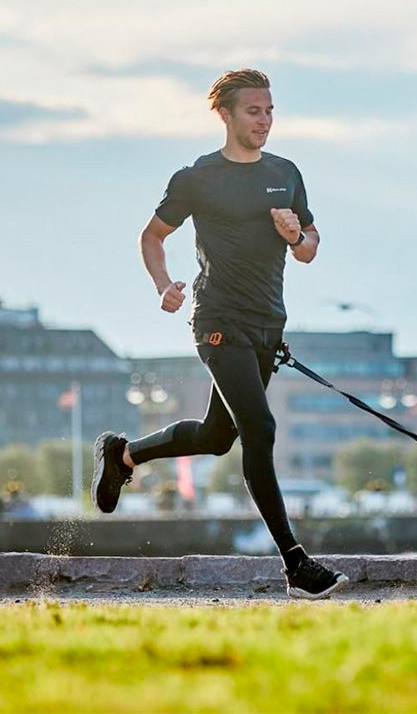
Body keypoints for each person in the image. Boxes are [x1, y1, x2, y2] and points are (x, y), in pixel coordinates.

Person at [91, 68, 348, 600]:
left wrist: (296, 234)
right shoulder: (197, 178)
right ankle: (295, 563)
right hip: (217, 322)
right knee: (261, 429)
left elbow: (310, 246)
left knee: (218, 436)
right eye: (254, 111)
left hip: (266, 326)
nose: (265, 120)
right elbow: (153, 235)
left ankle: (123, 455)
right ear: (225, 115)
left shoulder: (285, 172)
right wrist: (163, 286)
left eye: (271, 110)